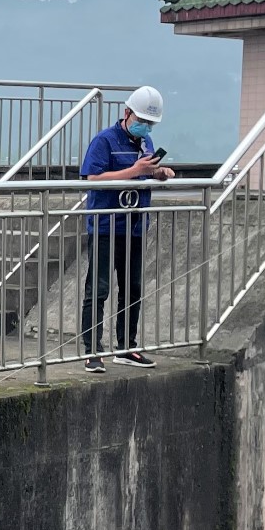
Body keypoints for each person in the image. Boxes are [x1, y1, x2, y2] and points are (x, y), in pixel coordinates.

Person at [80, 85, 174, 374]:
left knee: (132, 288)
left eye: (150, 123)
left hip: (134, 225)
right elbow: (92, 178)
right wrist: (134, 171)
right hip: (106, 225)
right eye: (141, 120)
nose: (145, 127)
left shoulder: (145, 143)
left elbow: (144, 172)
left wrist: (157, 173)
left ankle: (126, 347)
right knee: (99, 289)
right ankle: (92, 351)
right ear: (127, 113)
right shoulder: (104, 141)